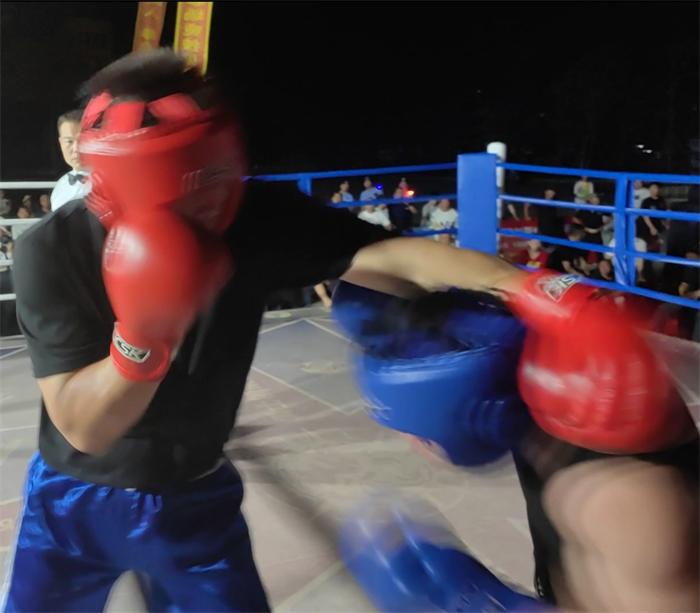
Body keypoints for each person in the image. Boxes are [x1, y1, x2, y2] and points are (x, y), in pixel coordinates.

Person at [8, 49, 693, 611]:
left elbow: (391, 255)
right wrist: (144, 334)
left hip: (196, 491)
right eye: (192, 186)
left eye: (217, 174)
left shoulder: (253, 215)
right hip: (75, 496)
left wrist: (529, 286)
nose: (216, 200)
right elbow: (83, 425)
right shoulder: (50, 251)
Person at [332, 280, 698, 613]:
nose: (409, 442)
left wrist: (485, 605)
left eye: (415, 432)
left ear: (471, 418)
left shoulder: (623, 500)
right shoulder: (544, 422)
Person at [50, 109, 91, 211]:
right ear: (61, 143)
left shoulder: (114, 184)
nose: (76, 149)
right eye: (69, 141)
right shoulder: (60, 186)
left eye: (83, 140)